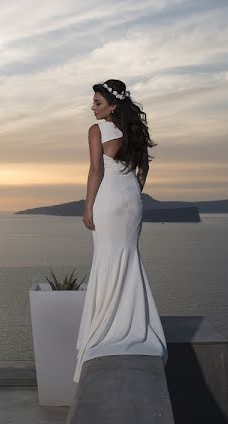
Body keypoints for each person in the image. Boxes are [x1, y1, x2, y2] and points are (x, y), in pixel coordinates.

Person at [73, 79, 168, 383]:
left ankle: (107, 327)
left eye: (98, 103)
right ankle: (132, 322)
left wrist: (88, 207)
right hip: (131, 199)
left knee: (108, 258)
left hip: (109, 198)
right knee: (127, 258)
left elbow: (96, 171)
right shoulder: (134, 132)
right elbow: (144, 171)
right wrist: (133, 192)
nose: (93, 107)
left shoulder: (96, 130)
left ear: (113, 105)